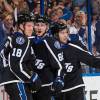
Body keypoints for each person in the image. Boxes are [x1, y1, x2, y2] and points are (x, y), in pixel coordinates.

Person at [0, 12, 41, 100]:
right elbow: (16, 65)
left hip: (10, 82)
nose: (32, 28)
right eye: (29, 26)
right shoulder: (21, 39)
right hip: (17, 81)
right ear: (21, 26)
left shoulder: (12, 37)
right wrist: (31, 78)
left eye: (32, 26)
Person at [54, 23, 100, 100]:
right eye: (62, 33)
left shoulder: (74, 47)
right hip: (59, 92)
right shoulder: (50, 48)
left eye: (66, 32)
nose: (65, 35)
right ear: (55, 35)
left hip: (75, 89)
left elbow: (92, 60)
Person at [31, 15, 65, 100]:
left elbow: (60, 64)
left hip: (47, 86)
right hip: (32, 86)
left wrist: (59, 78)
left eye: (42, 25)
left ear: (47, 27)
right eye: (37, 25)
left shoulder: (50, 42)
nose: (39, 28)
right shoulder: (29, 41)